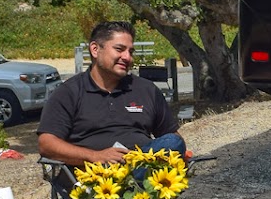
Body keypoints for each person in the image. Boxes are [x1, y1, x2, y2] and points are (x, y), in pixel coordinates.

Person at [37, 21, 186, 168]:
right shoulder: (69, 92)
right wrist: (95, 156)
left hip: (144, 178)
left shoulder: (146, 90)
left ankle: (130, 175)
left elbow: (171, 137)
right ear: (95, 49)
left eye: (130, 52)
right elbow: (47, 144)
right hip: (93, 181)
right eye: (119, 49)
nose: (127, 57)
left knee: (174, 142)